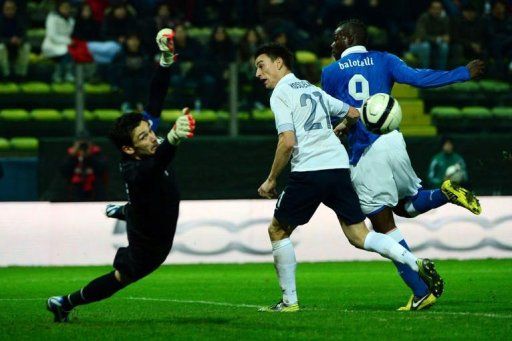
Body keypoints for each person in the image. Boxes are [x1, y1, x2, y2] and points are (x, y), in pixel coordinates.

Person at [254, 43, 443, 313]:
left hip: (309, 170)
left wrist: (271, 179)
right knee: (359, 235)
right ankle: (415, 262)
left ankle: (289, 302)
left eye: (261, 65)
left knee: (277, 230)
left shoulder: (281, 94)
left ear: (280, 63)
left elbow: (287, 142)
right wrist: (340, 128)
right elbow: (353, 112)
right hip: (338, 167)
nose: (258, 74)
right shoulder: (311, 88)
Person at [322, 19, 483, 311]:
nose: (332, 45)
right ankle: (444, 193)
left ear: (346, 38)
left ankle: (421, 290)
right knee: (405, 205)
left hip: (365, 151)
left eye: (335, 39)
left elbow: (333, 118)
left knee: (383, 226)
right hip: (394, 139)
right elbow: (420, 78)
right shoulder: (385, 59)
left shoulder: (330, 73)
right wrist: (462, 73)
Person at [46, 28, 196, 323]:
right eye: (144, 136)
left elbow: (155, 99)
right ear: (129, 148)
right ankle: (65, 303)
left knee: (145, 201)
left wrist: (165, 61)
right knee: (120, 278)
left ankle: (125, 209)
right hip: (150, 240)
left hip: (152, 208)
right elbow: (154, 168)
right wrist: (174, 138)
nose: (152, 137)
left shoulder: (144, 146)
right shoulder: (136, 169)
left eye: (151, 131)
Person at [41, 0, 75, 83]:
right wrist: (68, 41)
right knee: (65, 52)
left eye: (67, 8)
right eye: (63, 7)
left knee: (69, 51)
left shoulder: (72, 20)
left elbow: (71, 35)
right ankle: (60, 75)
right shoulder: (52, 17)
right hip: (51, 44)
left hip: (64, 44)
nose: (65, 9)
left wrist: (68, 42)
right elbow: (52, 35)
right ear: (59, 8)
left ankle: (65, 74)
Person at [409, 0, 450, 69]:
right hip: (417, 44)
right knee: (425, 46)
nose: (436, 11)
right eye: (434, 8)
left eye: (438, 9)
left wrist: (446, 37)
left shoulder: (444, 19)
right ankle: (425, 73)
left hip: (434, 45)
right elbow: (422, 36)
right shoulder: (424, 17)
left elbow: (447, 36)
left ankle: (441, 73)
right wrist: (438, 39)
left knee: (444, 46)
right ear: (430, 9)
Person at [0, 0, 30, 81]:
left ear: (15, 9)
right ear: (3, 9)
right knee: (0, 47)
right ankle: (6, 74)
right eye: (7, 9)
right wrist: (9, 40)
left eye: (12, 9)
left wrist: (20, 40)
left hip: (16, 45)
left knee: (26, 47)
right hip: (4, 45)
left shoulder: (20, 19)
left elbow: (25, 36)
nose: (10, 11)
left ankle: (21, 75)